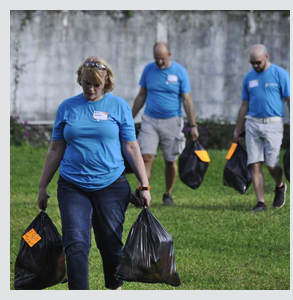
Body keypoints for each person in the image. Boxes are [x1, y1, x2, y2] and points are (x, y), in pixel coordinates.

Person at [37, 56, 151, 290]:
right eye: (86, 82)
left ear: (106, 82)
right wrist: (42, 187)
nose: (91, 88)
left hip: (111, 185)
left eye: (96, 84)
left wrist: (145, 185)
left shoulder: (118, 107)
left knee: (110, 244)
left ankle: (114, 287)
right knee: (76, 243)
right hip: (72, 185)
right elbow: (56, 149)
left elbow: (131, 147)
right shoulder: (67, 107)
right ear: (80, 80)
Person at [131, 41, 199, 206]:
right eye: (156, 59)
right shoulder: (148, 70)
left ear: (169, 55)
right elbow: (141, 96)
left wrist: (193, 125)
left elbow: (187, 100)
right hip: (150, 120)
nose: (159, 62)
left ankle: (168, 194)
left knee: (170, 160)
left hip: (172, 121)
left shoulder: (180, 72)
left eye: (162, 58)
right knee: (146, 157)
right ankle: (143, 191)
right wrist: (130, 118)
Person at [233, 44, 290, 212]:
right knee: (255, 163)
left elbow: (290, 100)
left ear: (267, 56)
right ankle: (260, 202)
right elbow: (244, 104)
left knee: (272, 164)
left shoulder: (280, 74)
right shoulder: (248, 77)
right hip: (252, 123)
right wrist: (237, 129)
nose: (255, 66)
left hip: (273, 123)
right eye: (252, 63)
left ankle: (280, 186)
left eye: (258, 62)